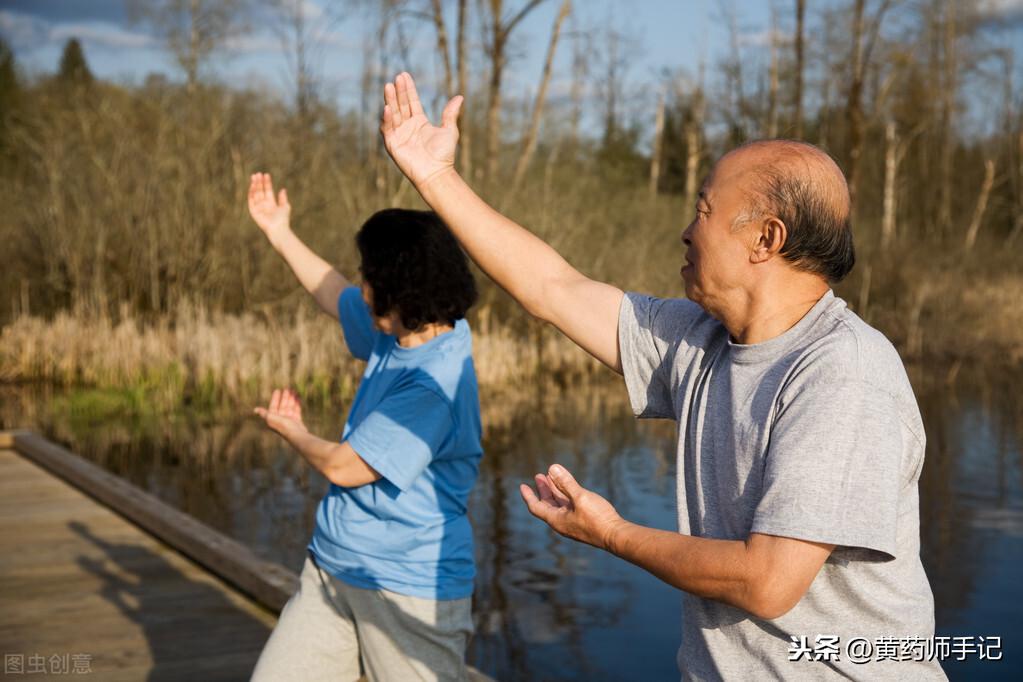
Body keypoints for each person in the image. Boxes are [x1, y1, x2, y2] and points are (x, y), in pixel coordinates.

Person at [377, 72, 946, 680]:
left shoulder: (842, 374)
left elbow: (767, 581)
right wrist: (434, 177)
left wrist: (613, 534)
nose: (686, 228)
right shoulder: (699, 340)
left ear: (765, 238)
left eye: (704, 209)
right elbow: (552, 288)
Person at [245, 172, 482, 682]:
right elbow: (332, 291)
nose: (361, 284)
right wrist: (278, 232)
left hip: (406, 590)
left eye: (369, 274)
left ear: (400, 289)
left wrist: (291, 430)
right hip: (333, 568)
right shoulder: (398, 331)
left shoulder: (432, 386)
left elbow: (344, 467)